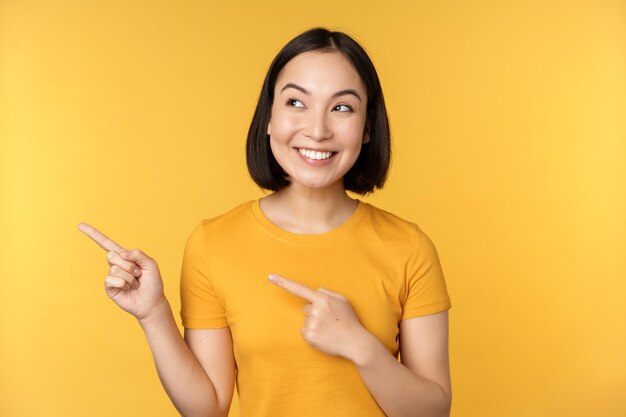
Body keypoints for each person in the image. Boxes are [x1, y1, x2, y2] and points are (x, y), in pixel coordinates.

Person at [79, 27, 452, 417]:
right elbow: (208, 409)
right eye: (296, 102)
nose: (319, 129)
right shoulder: (213, 243)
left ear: (368, 129)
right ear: (269, 119)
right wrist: (154, 313)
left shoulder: (409, 247)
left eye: (342, 107)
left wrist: (360, 347)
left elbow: (434, 412)